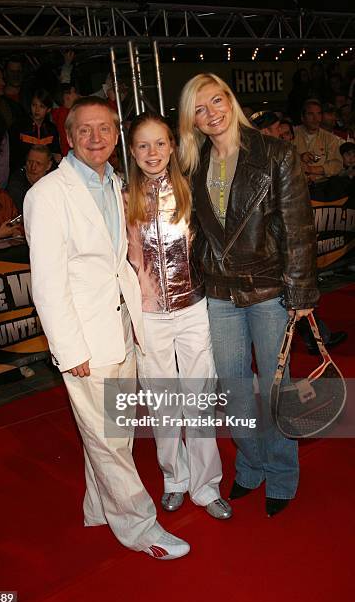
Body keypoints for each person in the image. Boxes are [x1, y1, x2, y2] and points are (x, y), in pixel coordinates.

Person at [23, 96, 190, 559]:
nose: (96, 139)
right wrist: (68, 349)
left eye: (105, 129)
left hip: (121, 330)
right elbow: (49, 283)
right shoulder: (47, 195)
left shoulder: (116, 182)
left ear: (116, 135)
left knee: (113, 431)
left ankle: (99, 506)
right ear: (69, 137)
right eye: (85, 131)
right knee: (110, 442)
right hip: (85, 341)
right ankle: (140, 527)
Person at [178, 73, 319, 517]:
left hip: (269, 290)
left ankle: (280, 473)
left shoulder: (274, 152)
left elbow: (298, 226)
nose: (211, 113)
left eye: (216, 101)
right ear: (193, 121)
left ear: (231, 100)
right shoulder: (193, 162)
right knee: (236, 392)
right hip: (219, 294)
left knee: (275, 390)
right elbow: (194, 228)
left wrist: (300, 290)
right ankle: (251, 465)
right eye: (200, 109)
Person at [125, 111, 232, 520]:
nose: (153, 152)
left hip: (194, 310)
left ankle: (207, 486)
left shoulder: (192, 188)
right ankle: (175, 479)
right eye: (143, 145)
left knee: (200, 400)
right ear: (132, 153)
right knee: (163, 404)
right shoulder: (123, 198)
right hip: (149, 317)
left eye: (160, 143)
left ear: (172, 146)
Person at [293, 98, 343, 182]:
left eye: (319, 114)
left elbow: (337, 165)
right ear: (302, 117)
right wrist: (300, 158)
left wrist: (311, 169)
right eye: (310, 114)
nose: (316, 119)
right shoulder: (292, 133)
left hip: (321, 185)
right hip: (296, 186)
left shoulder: (330, 138)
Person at [13, 89, 61, 169]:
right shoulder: (19, 126)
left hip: (45, 172)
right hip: (23, 171)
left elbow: (56, 154)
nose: (37, 110)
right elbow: (13, 155)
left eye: (42, 106)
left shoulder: (51, 129)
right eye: (34, 105)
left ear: (48, 110)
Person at [7, 145, 52, 212]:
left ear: (48, 165)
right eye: (30, 162)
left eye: (38, 163)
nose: (33, 167)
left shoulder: (53, 182)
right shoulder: (16, 182)